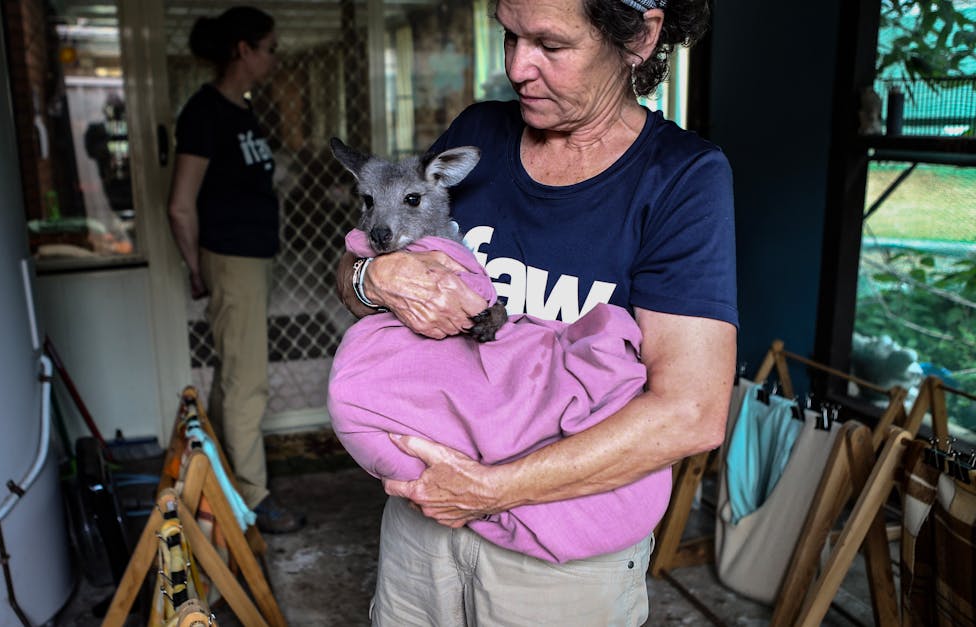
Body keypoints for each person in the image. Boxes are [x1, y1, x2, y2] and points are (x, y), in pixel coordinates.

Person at [334, 0, 737, 623]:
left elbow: (692, 413)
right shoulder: (480, 135)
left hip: (560, 542)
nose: (517, 67)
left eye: (550, 45)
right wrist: (377, 275)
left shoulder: (681, 179)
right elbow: (361, 272)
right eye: (509, 35)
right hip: (425, 520)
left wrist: (490, 490)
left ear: (638, 38)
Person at [167, 6, 304, 534]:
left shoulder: (239, 110)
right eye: (269, 47)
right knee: (248, 383)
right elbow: (181, 204)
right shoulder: (206, 113)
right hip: (232, 261)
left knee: (235, 377)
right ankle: (251, 499)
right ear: (243, 50)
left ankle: (228, 481)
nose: (274, 57)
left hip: (248, 259)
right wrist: (197, 268)